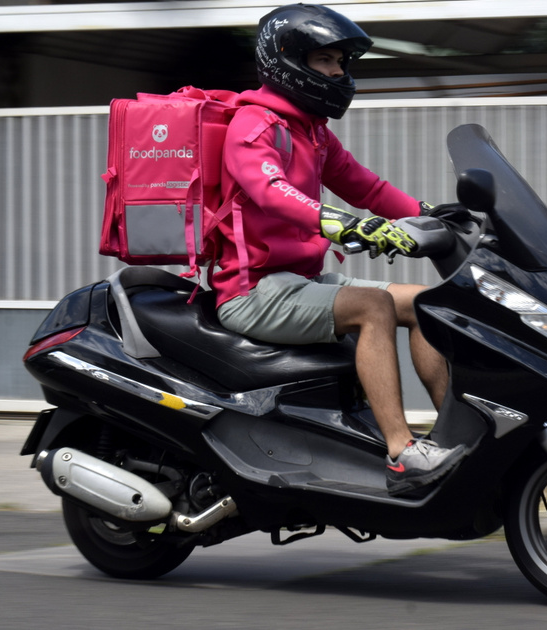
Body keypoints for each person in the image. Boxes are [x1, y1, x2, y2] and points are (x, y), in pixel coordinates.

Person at [211, 3, 464, 496]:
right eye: (326, 60)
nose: (338, 72)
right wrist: (340, 224)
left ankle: (454, 434)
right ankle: (402, 452)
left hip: (300, 282)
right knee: (374, 307)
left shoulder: (312, 132)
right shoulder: (254, 125)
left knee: (428, 303)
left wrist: (435, 216)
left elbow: (367, 188)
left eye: (341, 63)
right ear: (288, 61)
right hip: (251, 291)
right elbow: (270, 190)